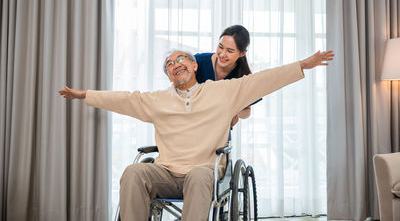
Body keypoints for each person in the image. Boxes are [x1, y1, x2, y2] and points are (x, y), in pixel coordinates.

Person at [59, 49, 334, 221]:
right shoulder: (156, 100)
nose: (175, 64)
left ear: (193, 65)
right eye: (169, 64)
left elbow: (260, 80)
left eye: (181, 59)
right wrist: (83, 94)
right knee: (133, 172)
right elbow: (121, 98)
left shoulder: (221, 92)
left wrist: (302, 65)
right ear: (168, 74)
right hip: (166, 173)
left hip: (203, 171)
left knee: (200, 174)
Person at [195, 25, 256, 127]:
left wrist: (233, 112)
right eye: (220, 47)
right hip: (193, 129)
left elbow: (246, 112)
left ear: (242, 53)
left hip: (220, 134)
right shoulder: (198, 62)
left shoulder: (244, 77)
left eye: (230, 51)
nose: (222, 54)